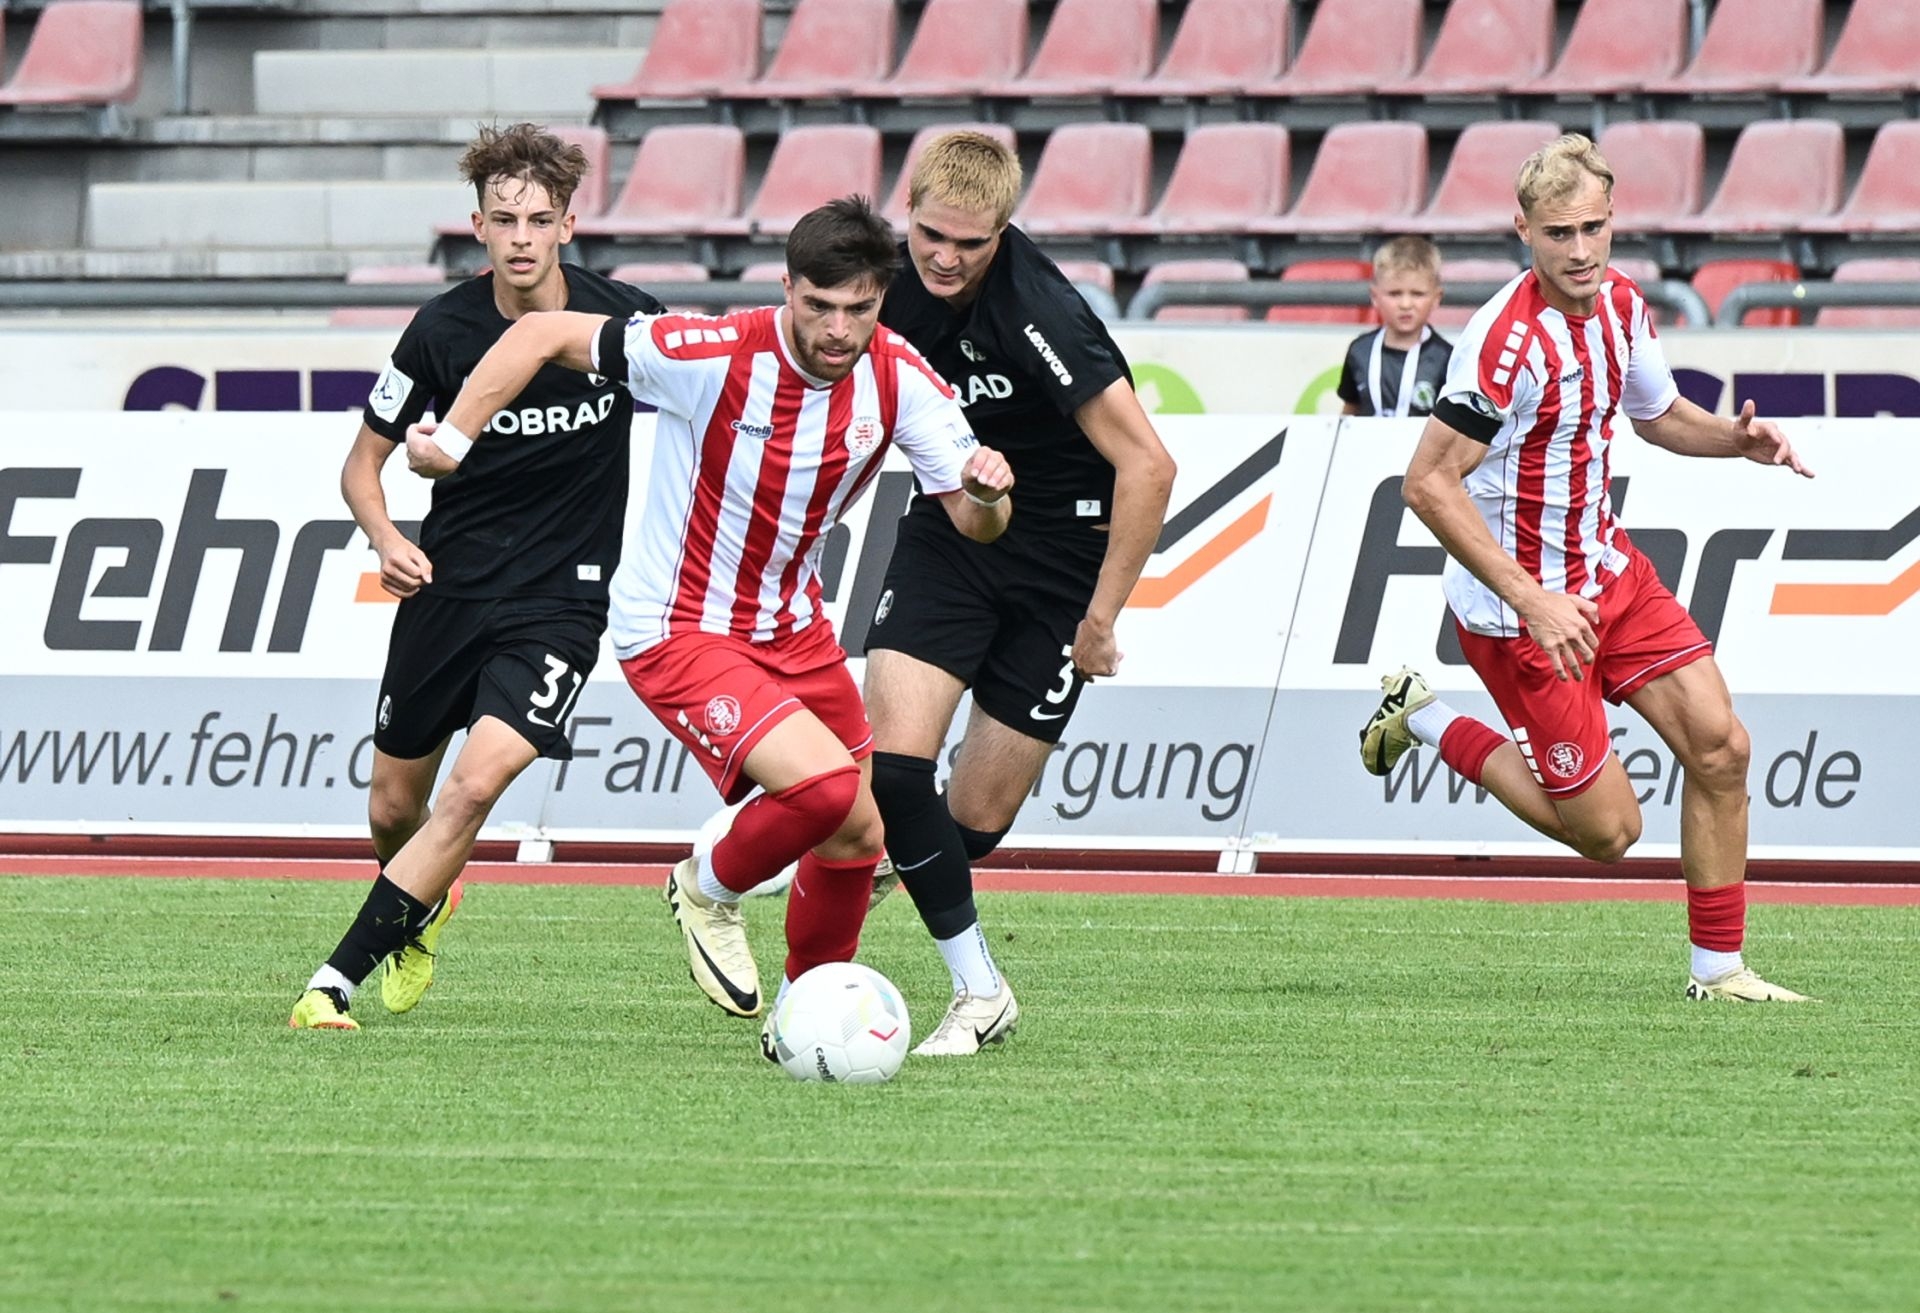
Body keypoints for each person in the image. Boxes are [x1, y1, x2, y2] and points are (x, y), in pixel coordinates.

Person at [402, 196, 1015, 1045]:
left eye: (860, 308)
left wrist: (987, 494)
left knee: (857, 832)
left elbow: (978, 522)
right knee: (825, 786)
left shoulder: (900, 377)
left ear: (882, 299)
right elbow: (537, 334)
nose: (839, 330)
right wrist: (454, 440)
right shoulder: (710, 351)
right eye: (820, 305)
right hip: (678, 623)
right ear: (787, 288)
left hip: (792, 626)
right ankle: (706, 886)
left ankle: (804, 1020)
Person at [1357, 134, 1815, 1003]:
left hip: (1609, 572)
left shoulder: (1623, 305)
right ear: (1524, 231)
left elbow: (1658, 414)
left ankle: (1718, 972)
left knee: (1722, 747)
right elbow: (1427, 483)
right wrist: (1532, 600)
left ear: (1612, 222)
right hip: (1519, 613)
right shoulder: (1504, 345)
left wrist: (1735, 440)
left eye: (1593, 228)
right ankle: (1424, 717)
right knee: (1609, 834)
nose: (1580, 250)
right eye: (1559, 233)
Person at [290, 123, 664, 1030]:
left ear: (568, 224)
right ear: (479, 227)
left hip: (562, 602)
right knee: (395, 809)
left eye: (540, 220)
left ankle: (331, 983)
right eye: (505, 220)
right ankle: (421, 902)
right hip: (447, 591)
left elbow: (714, 403)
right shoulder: (441, 329)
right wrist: (386, 538)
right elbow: (360, 467)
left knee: (472, 786)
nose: (522, 237)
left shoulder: (624, 322)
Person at [860, 128, 1177, 1055]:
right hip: (953, 529)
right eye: (930, 235)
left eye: (971, 242)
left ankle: (901, 857)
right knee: (895, 772)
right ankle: (978, 990)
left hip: (1063, 558)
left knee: (976, 817)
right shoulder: (882, 286)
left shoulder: (1042, 309)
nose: (945, 258)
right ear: (906, 212)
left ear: (1003, 230)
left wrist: (1100, 618)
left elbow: (1150, 467)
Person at [1336, 235, 1453, 419]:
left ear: (1436, 298)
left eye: (1417, 294)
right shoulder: (1359, 350)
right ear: (1375, 296)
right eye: (1394, 294)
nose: (1405, 304)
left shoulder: (1447, 358)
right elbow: (1349, 412)